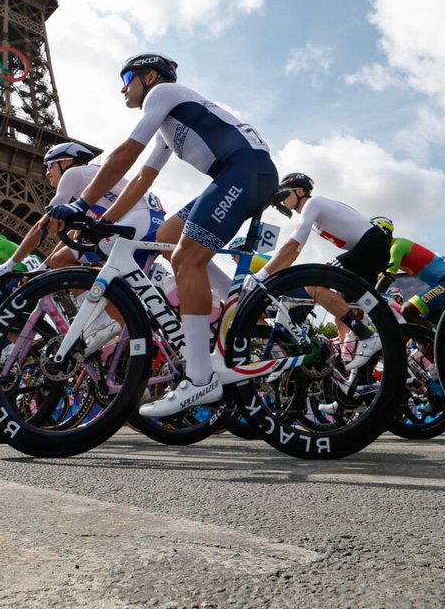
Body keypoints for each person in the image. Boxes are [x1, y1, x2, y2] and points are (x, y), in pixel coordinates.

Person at [47, 53, 278, 418]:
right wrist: (103, 221)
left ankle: (200, 378)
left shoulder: (164, 93)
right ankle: (234, 301)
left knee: (187, 257)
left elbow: (125, 153)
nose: (122, 86)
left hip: (244, 171)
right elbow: (142, 179)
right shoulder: (169, 122)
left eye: (126, 77)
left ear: (149, 75)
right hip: (241, 172)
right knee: (170, 234)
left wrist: (81, 205)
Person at [254, 174, 392, 373]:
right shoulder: (314, 214)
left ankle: (366, 336)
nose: (282, 199)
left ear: (299, 191)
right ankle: (351, 373)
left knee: (314, 283)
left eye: (285, 193)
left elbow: (293, 245)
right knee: (344, 314)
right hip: (370, 252)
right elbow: (293, 254)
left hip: (371, 246)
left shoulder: (313, 204)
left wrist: (262, 274)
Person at [0, 141, 167, 282]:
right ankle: (159, 285)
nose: (47, 173)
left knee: (61, 261)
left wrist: (9, 265)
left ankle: (100, 323)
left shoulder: (73, 174)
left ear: (64, 161)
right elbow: (73, 237)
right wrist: (42, 267)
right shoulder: (91, 179)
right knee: (121, 280)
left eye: (49, 166)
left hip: (137, 220)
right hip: (153, 220)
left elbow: (42, 226)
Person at [376, 225, 445, 325]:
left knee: (407, 311)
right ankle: (433, 338)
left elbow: (387, 277)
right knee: (417, 325)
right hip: (442, 285)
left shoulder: (397, 246)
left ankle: (433, 337)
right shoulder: (387, 254)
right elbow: (379, 280)